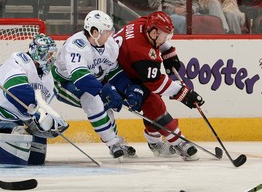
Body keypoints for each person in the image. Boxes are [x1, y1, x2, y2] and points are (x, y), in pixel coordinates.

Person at [52, 10, 144, 159]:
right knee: (92, 99)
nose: (110, 35)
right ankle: (112, 143)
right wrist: (103, 90)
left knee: (105, 102)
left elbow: (113, 71)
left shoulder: (110, 45)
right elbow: (79, 77)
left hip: (92, 80)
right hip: (63, 83)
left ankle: (115, 141)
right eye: (106, 32)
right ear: (94, 32)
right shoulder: (76, 45)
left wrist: (128, 88)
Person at [114, 11, 205, 161]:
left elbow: (156, 40)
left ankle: (154, 142)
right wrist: (184, 93)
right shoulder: (140, 52)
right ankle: (179, 141)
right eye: (165, 37)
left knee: (153, 101)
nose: (165, 40)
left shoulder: (144, 23)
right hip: (117, 79)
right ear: (154, 32)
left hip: (126, 68)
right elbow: (156, 83)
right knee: (152, 101)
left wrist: (168, 51)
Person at [0, 33, 69, 167]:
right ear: (38, 53)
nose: (51, 59)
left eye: (52, 55)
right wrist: (39, 112)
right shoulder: (20, 60)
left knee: (31, 159)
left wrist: (46, 123)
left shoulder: (47, 78)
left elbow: (37, 110)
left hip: (5, 120)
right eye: (48, 54)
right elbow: (15, 90)